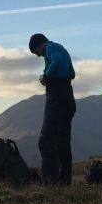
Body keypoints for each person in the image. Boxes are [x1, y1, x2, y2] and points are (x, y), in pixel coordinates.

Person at [29, 33, 76, 186]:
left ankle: (50, 183)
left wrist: (46, 77)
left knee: (46, 140)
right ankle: (64, 182)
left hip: (57, 100)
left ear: (40, 45)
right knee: (62, 142)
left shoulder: (51, 47)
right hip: (67, 97)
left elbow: (57, 60)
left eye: (36, 52)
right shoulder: (60, 47)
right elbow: (72, 73)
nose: (38, 56)